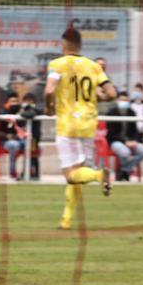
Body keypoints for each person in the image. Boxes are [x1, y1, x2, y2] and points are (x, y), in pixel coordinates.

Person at [45, 28, 115, 230]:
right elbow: (111, 93)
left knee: (70, 174)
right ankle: (66, 220)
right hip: (88, 124)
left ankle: (99, 175)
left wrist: (49, 107)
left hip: (68, 125)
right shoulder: (94, 66)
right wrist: (97, 96)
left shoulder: (57, 64)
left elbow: (49, 89)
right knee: (77, 174)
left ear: (64, 44)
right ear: (80, 45)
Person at [105, 91, 143, 181]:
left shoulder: (131, 113)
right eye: (122, 100)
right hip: (115, 141)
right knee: (125, 152)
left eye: (126, 100)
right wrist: (125, 142)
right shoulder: (111, 113)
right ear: (117, 100)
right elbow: (111, 134)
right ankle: (125, 172)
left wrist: (135, 141)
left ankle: (124, 170)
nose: (124, 102)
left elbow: (135, 131)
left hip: (131, 141)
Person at [0, 91, 27, 179]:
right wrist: (6, 136)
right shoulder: (1, 114)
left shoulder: (20, 114)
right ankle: (12, 172)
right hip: (3, 141)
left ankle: (26, 172)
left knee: (31, 145)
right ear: (7, 103)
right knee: (14, 145)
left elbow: (23, 128)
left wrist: (21, 115)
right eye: (12, 101)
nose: (14, 104)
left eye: (16, 101)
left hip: (18, 139)